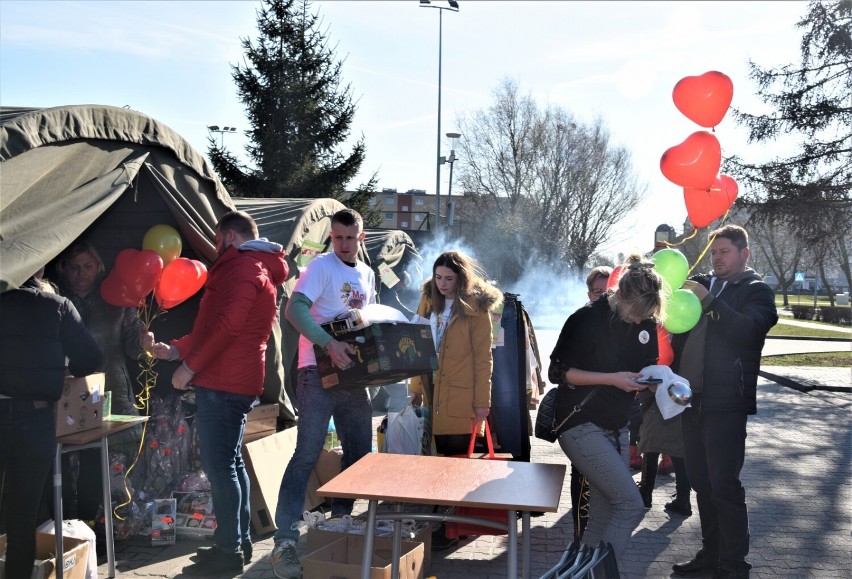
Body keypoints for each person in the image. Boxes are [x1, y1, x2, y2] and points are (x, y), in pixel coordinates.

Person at [142, 211, 287, 575]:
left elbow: (226, 327)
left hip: (225, 380)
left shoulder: (242, 267)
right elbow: (212, 326)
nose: (215, 245)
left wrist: (189, 368)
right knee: (231, 463)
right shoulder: (254, 267)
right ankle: (235, 541)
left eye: (217, 238)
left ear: (230, 237)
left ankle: (229, 549)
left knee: (220, 467)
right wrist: (175, 350)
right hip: (233, 378)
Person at [271, 209, 376, 578]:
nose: (344, 244)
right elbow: (293, 310)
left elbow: (364, 321)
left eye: (350, 238)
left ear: (361, 238)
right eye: (338, 237)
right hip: (316, 373)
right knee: (307, 454)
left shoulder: (367, 273)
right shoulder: (319, 267)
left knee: (361, 453)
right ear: (331, 236)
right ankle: (284, 540)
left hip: (353, 379)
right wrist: (328, 344)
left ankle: (340, 521)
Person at [671, 225, 777, 579]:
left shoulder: (756, 291)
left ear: (744, 254)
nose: (716, 258)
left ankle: (734, 565)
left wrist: (710, 302)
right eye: (713, 252)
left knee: (724, 486)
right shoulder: (701, 283)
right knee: (701, 483)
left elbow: (748, 332)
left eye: (724, 252)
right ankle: (711, 553)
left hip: (726, 404)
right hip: (690, 401)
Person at [548, 253, 665, 561]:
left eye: (646, 316)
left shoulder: (645, 322)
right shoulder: (587, 318)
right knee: (631, 506)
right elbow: (558, 373)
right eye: (636, 313)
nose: (640, 321)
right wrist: (612, 379)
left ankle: (579, 568)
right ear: (620, 295)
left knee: (603, 512)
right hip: (579, 421)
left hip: (618, 425)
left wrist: (657, 380)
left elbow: (646, 365)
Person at [0, 269, 103, 578]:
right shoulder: (56, 305)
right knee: (22, 516)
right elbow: (91, 358)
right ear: (41, 267)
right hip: (35, 418)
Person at [409, 250, 503, 550]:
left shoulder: (476, 306)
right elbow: (415, 343)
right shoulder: (427, 299)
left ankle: (453, 527)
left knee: (455, 462)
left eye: (449, 279)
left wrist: (482, 403)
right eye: (438, 277)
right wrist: (415, 387)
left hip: (461, 395)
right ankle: (441, 523)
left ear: (462, 279)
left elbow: (483, 359)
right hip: (431, 389)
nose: (442, 284)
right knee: (434, 462)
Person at [568, 265, 614, 541]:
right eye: (599, 292)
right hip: (583, 418)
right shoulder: (581, 322)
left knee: (610, 487)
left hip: (615, 420)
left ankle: (598, 541)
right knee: (584, 477)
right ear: (589, 294)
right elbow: (562, 372)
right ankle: (580, 539)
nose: (605, 298)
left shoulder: (627, 324)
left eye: (610, 291)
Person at [636, 389, 692, 516]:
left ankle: (645, 495)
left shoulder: (659, 369)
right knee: (680, 455)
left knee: (650, 451)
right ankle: (684, 499)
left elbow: (646, 390)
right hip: (680, 410)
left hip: (657, 408)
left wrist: (643, 405)